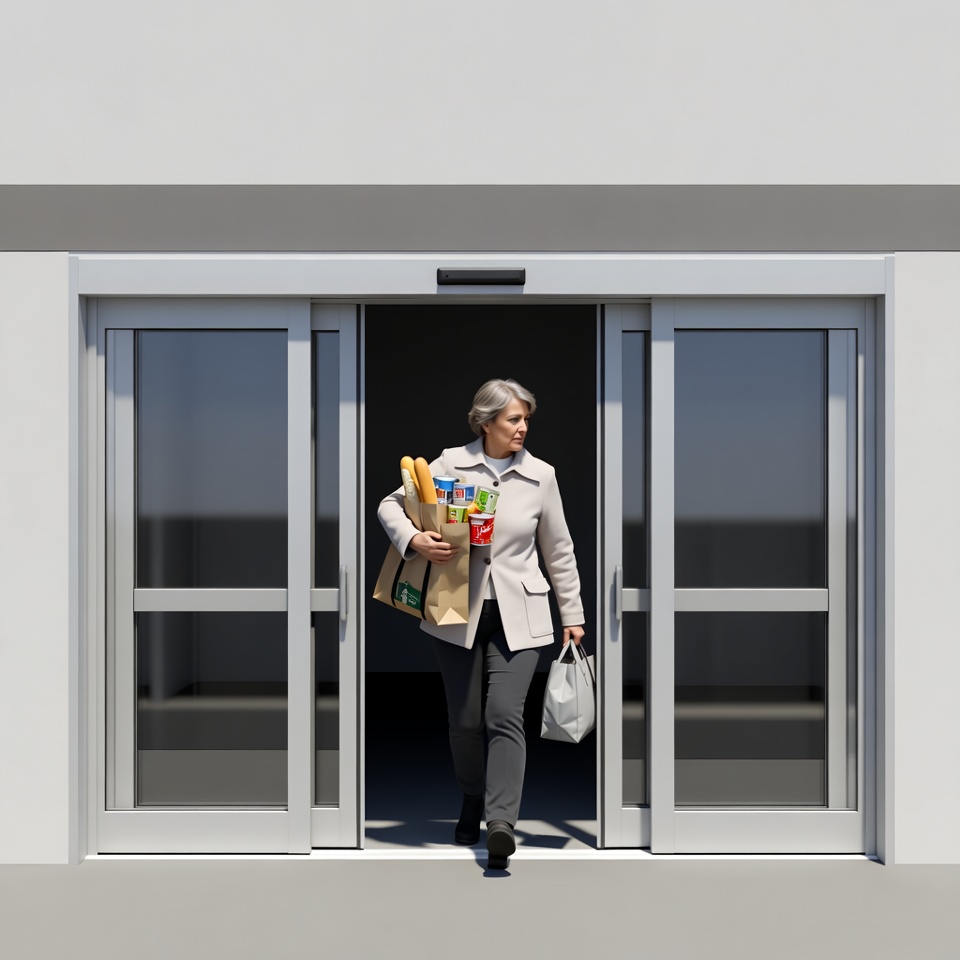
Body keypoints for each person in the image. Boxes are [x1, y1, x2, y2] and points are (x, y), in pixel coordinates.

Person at [377, 378, 585, 869]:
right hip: (457, 611)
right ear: (486, 421)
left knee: (505, 716)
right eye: (514, 419)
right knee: (465, 722)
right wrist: (414, 540)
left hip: (522, 614)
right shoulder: (449, 464)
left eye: (526, 419)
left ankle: (500, 823)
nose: (523, 428)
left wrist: (572, 614)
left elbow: (559, 549)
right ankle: (471, 798)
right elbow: (389, 505)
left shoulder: (542, 476)